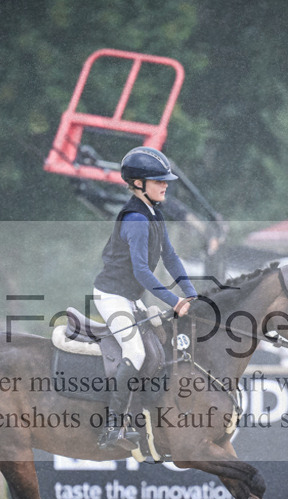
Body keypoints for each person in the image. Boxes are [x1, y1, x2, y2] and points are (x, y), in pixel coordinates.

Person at [92, 146, 198, 450]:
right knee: (136, 353)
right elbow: (141, 271)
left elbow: (171, 257)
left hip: (130, 297)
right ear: (138, 183)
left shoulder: (155, 214)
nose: (166, 185)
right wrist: (175, 301)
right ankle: (114, 426)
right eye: (159, 180)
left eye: (165, 180)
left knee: (159, 345)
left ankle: (145, 415)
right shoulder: (136, 219)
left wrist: (191, 292)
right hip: (112, 296)